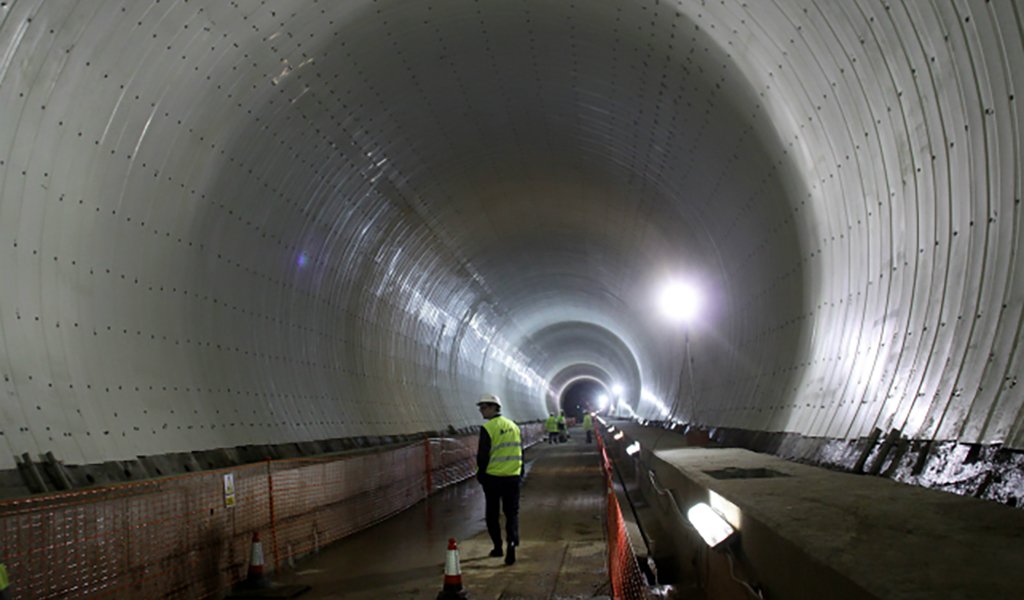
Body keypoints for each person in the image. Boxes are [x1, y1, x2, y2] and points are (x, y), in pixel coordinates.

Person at [476, 393, 523, 565]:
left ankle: (498, 547)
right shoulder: (514, 426)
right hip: (512, 478)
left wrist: (481, 475)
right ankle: (512, 543)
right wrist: (520, 472)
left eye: (484, 407)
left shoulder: (488, 428)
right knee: (512, 514)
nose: (481, 411)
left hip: (494, 479)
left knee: (492, 514)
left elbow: (483, 456)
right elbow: (520, 451)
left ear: (493, 407)